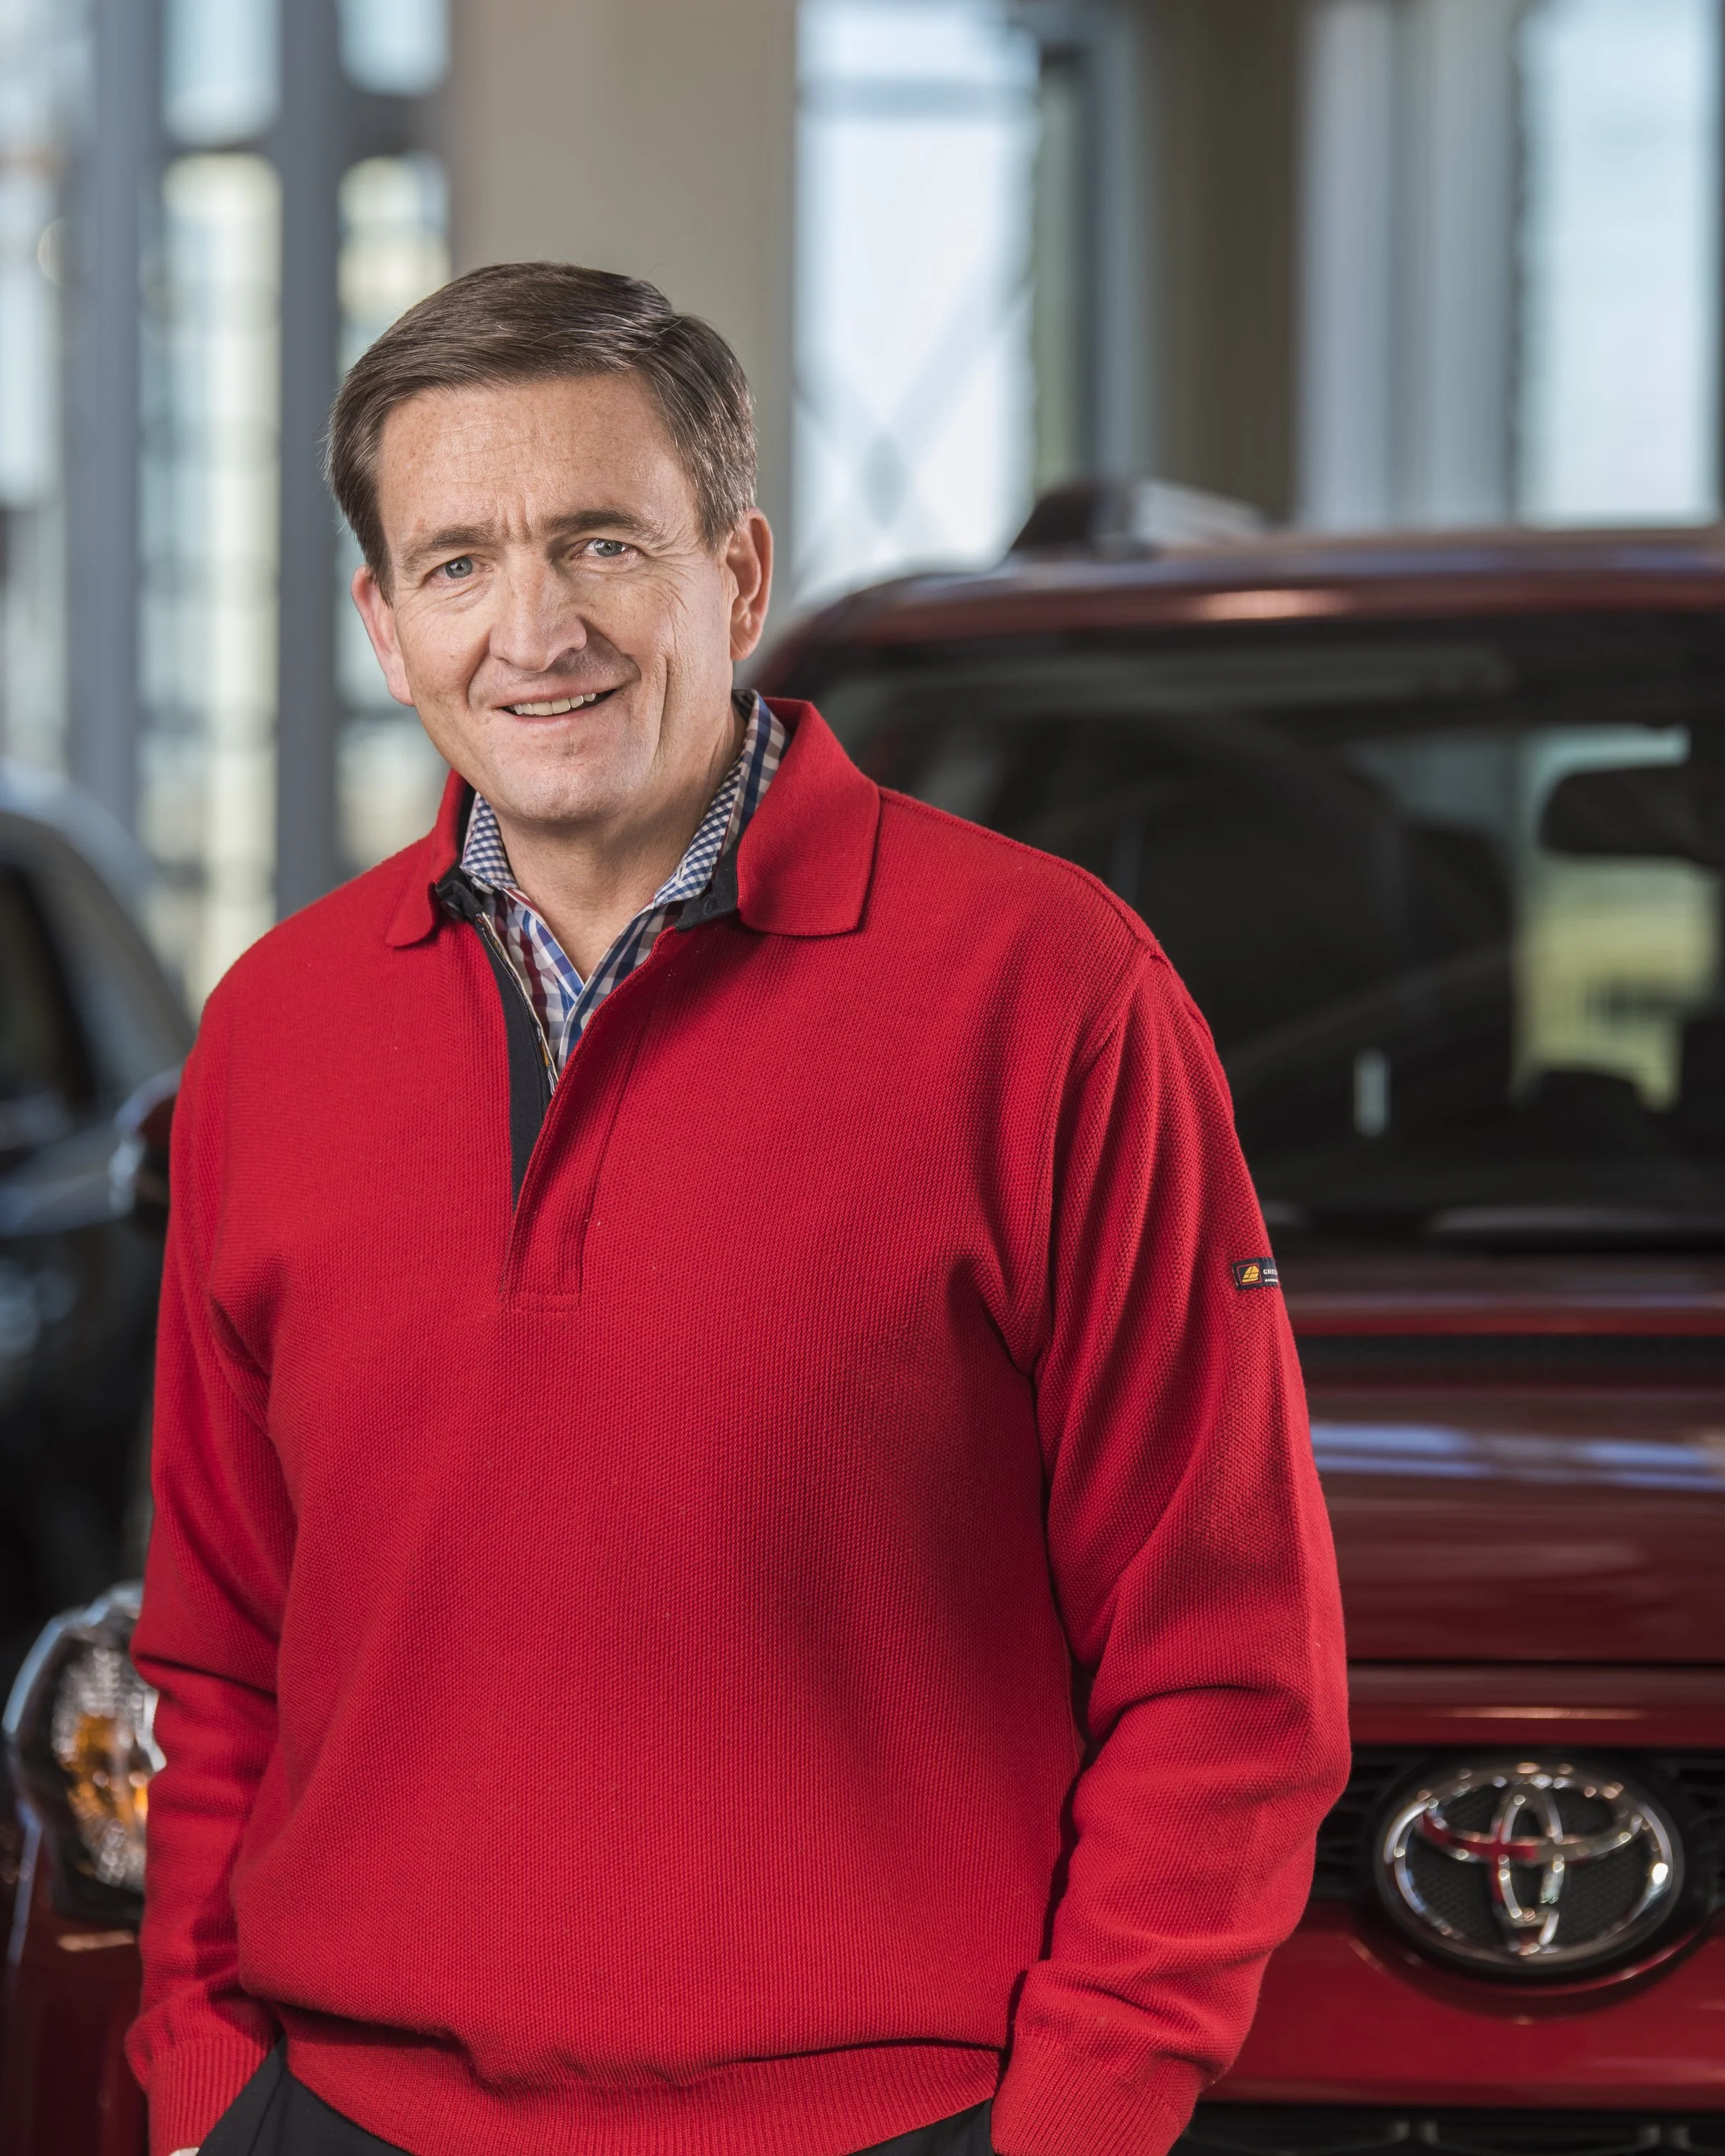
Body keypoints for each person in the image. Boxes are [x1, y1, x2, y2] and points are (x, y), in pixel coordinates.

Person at [127, 263, 1349, 2156]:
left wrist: (1078, 2124)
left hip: (885, 2124)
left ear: (741, 575)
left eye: (602, 543)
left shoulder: (1044, 994)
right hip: (335, 2112)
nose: (535, 630)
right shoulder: (277, 1034)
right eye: (457, 565)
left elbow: (1225, 1662)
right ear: (382, 624)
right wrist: (209, 2081)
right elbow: (216, 1645)